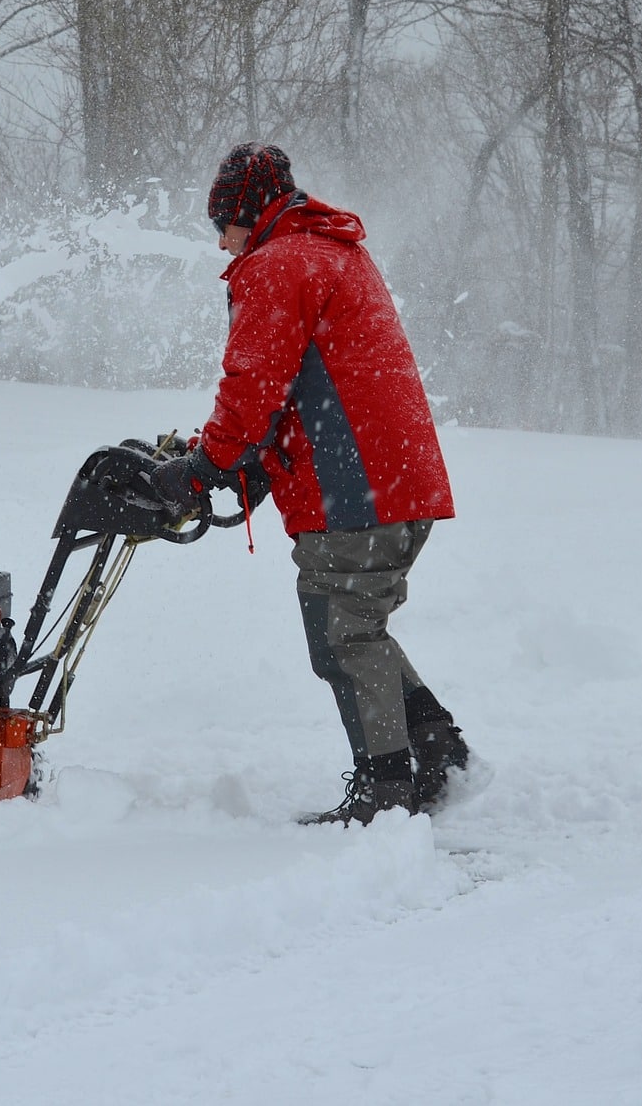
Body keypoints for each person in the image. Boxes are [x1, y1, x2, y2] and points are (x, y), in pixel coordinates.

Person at [151, 142, 470, 826]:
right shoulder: (334, 251)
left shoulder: (276, 264)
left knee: (342, 633)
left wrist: (205, 466)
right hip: (396, 477)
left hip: (357, 487)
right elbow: (307, 384)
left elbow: (255, 387)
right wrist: (234, 460)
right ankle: (437, 749)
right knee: (359, 625)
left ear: (246, 213)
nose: (221, 242)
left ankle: (386, 790)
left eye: (222, 225)